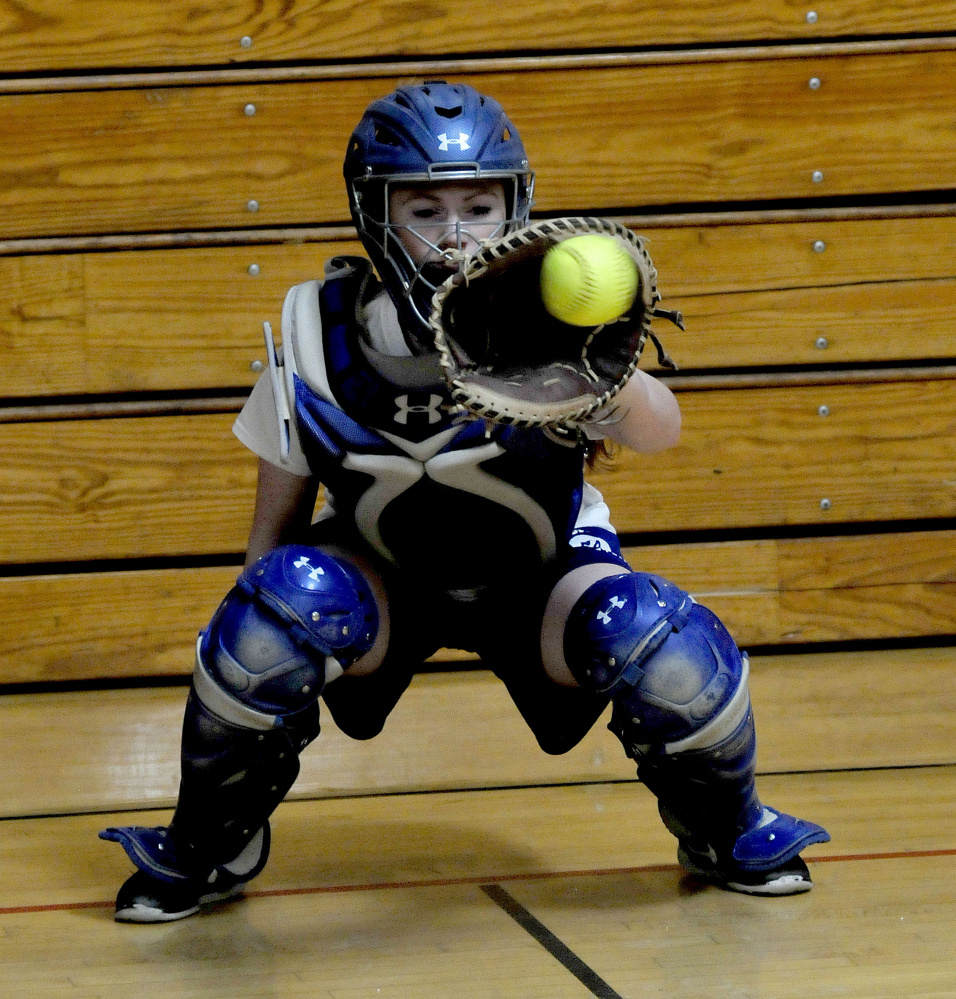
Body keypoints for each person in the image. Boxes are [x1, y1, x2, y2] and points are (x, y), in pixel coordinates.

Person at [100, 81, 829, 922]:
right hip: (381, 575)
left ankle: (725, 827)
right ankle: (212, 839)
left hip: (542, 570)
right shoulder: (315, 327)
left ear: (514, 208)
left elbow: (662, 431)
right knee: (273, 610)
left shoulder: (551, 319)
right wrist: (247, 642)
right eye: (424, 208)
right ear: (375, 214)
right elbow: (274, 529)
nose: (455, 235)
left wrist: (600, 381)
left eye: (480, 206)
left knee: (655, 637)